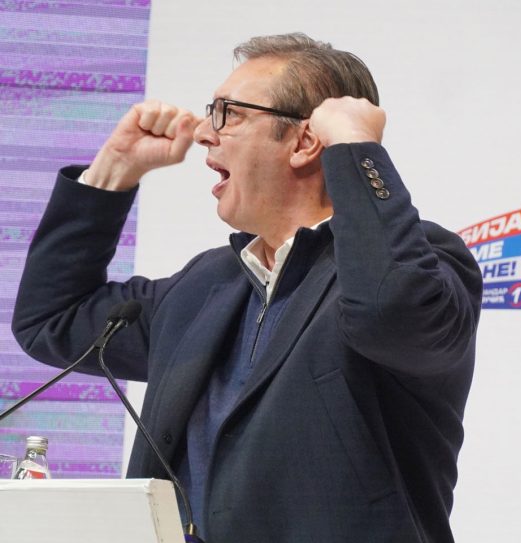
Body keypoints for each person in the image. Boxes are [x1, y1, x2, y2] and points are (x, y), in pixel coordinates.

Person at [12, 33, 482, 542]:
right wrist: (112, 171)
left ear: (305, 142)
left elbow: (391, 314)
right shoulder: (205, 285)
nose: (204, 134)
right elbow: (52, 318)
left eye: (229, 114)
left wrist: (354, 146)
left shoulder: (423, 265)